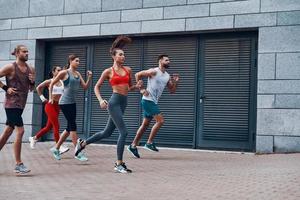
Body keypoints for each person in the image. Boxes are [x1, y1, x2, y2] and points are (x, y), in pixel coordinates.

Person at [74, 36, 142, 173]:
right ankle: (119, 163)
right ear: (114, 56)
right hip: (114, 102)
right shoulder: (108, 71)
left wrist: (138, 87)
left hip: (124, 102)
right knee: (124, 132)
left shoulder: (128, 70)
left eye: (124, 54)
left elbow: (129, 88)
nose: (123, 56)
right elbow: (96, 87)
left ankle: (83, 143)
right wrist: (100, 100)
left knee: (107, 132)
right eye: (121, 54)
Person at [127, 54, 179, 158]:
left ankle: (133, 145)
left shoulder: (167, 76)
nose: (169, 62)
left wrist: (175, 82)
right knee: (160, 121)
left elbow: (172, 91)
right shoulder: (153, 71)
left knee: (145, 125)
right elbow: (137, 74)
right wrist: (141, 89)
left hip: (153, 102)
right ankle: (149, 143)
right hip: (147, 100)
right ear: (160, 61)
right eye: (166, 60)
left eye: (169, 60)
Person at [48, 54, 92, 161]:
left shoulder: (77, 74)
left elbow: (85, 87)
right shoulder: (64, 73)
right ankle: (77, 152)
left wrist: (89, 77)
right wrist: (50, 98)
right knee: (73, 125)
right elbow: (51, 84)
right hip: (64, 102)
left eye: (79, 61)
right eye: (76, 61)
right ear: (71, 61)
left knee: (69, 128)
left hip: (72, 102)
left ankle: (56, 148)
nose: (78, 63)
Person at [0, 45, 35, 174]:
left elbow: (31, 89)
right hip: (11, 104)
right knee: (20, 131)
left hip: (21, 105)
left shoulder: (30, 69)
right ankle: (18, 164)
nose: (27, 53)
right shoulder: (10, 67)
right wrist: (5, 88)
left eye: (27, 51)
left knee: (7, 132)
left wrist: (32, 82)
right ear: (17, 53)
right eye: (24, 52)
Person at [28, 66, 69, 154]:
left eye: (60, 70)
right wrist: (42, 98)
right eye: (58, 70)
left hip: (57, 106)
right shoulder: (49, 81)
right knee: (56, 125)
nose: (60, 71)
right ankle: (59, 146)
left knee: (48, 127)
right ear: (53, 72)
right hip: (50, 105)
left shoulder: (62, 82)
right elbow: (38, 88)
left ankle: (34, 138)